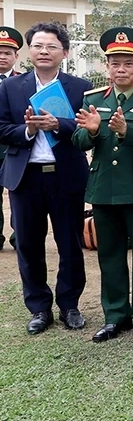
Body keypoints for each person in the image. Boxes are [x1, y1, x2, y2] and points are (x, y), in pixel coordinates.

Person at [72, 27, 133, 342]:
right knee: (109, 254)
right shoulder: (92, 99)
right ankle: (115, 316)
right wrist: (92, 131)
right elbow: (79, 141)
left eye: (129, 63)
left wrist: (128, 131)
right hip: (105, 189)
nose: (121, 69)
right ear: (107, 67)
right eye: (115, 63)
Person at [0, 22, 91, 335]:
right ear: (29, 50)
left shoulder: (79, 86)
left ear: (63, 52)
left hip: (66, 176)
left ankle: (69, 305)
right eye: (38, 45)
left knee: (69, 242)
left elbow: (86, 131)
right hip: (25, 177)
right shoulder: (11, 87)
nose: (44, 51)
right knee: (28, 243)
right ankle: (39, 307)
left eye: (51, 46)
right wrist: (28, 129)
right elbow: (1, 129)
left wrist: (57, 125)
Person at [0, 26, 23, 251]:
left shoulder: (22, 83)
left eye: (7, 52)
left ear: (16, 57)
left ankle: (20, 237)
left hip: (15, 147)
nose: (2, 56)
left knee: (19, 194)